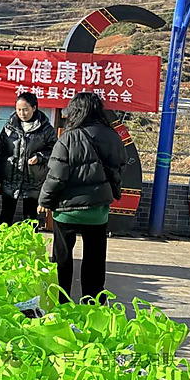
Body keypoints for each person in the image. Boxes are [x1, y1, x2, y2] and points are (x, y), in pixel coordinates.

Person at [38, 92, 126, 304]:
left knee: (62, 257)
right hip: (97, 210)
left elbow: (56, 175)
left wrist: (44, 201)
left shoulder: (68, 137)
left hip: (66, 210)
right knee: (95, 259)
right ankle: (92, 304)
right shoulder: (112, 136)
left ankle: (61, 302)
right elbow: (120, 167)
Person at [0, 92, 57, 226]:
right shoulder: (9, 127)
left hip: (33, 180)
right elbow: (0, 153)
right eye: (19, 109)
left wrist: (40, 157)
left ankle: (31, 240)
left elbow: (54, 151)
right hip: (10, 178)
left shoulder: (45, 129)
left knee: (30, 218)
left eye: (26, 109)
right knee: (5, 216)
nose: (22, 113)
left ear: (34, 108)